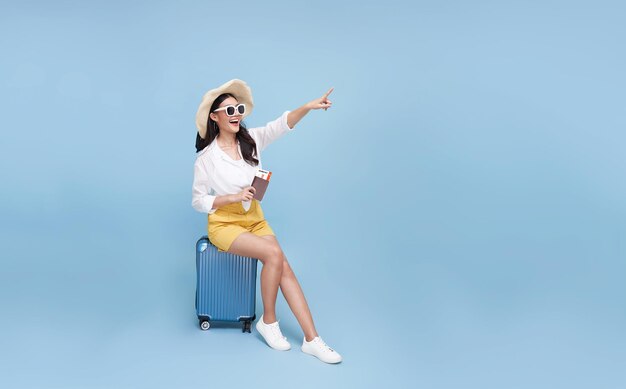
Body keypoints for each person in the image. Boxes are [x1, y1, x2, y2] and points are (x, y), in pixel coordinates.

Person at [191, 79, 342, 364]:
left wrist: (308, 107)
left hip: (254, 219)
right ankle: (269, 321)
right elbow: (198, 200)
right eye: (229, 110)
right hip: (224, 225)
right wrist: (231, 197)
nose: (236, 114)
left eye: (239, 108)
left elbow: (281, 124)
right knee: (273, 253)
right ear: (214, 117)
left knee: (282, 263)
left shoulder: (252, 140)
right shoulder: (206, 159)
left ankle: (313, 339)